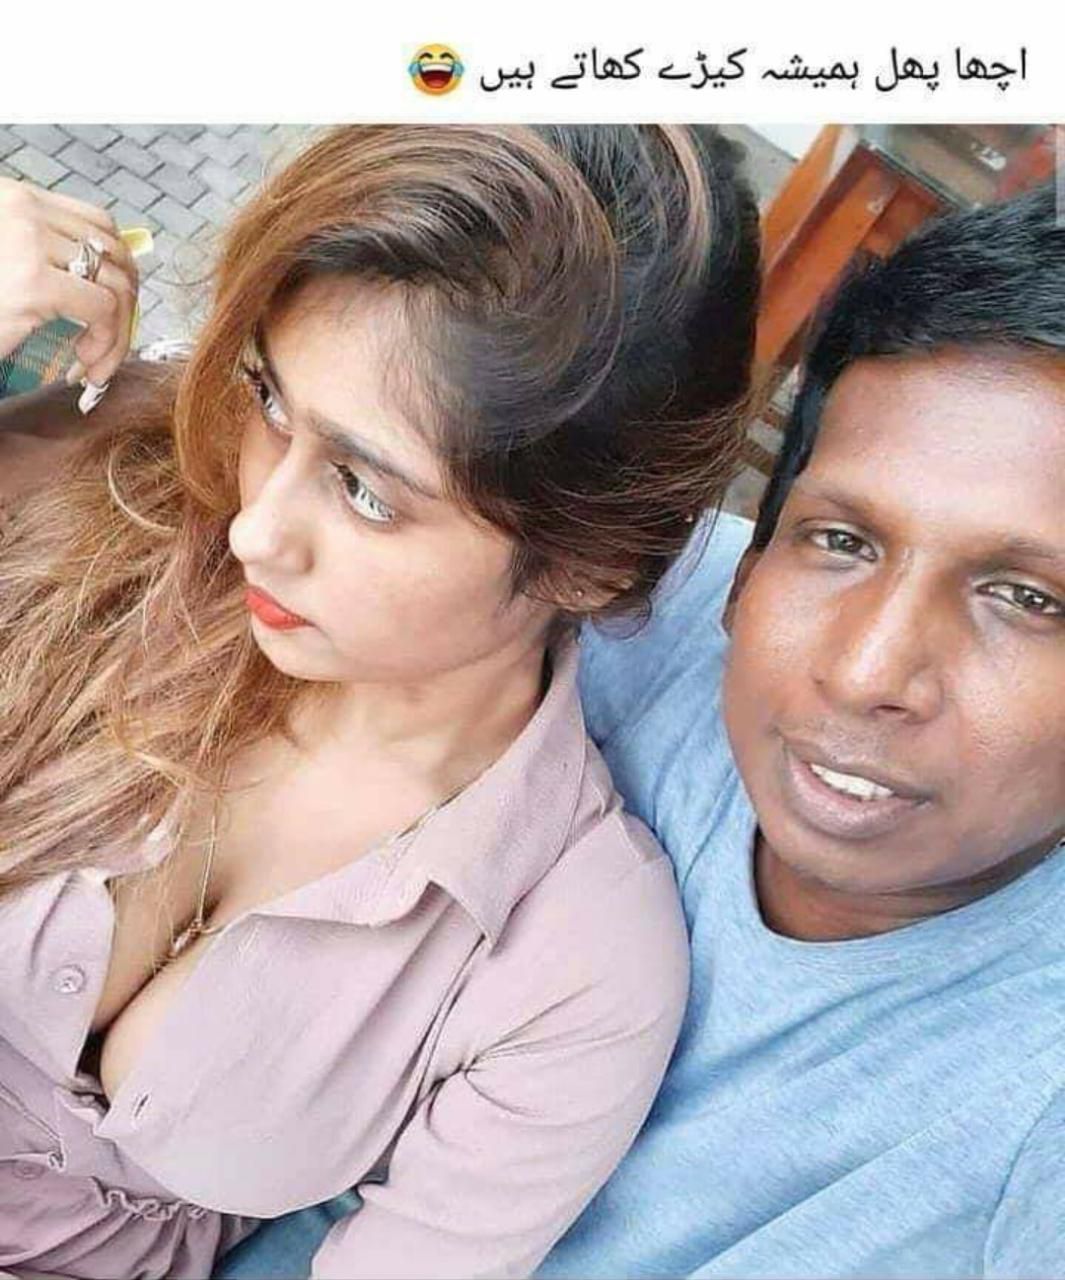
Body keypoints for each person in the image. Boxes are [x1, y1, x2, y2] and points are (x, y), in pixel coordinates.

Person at [0, 125, 760, 1280]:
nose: (256, 527)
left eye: (364, 489)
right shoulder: (116, 491)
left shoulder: (572, 963)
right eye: (269, 397)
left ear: (588, 563)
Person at [536, 181, 1065, 1279]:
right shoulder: (632, 617)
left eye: (1027, 599)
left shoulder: (1031, 1105)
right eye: (841, 541)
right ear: (750, 562)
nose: (867, 673)